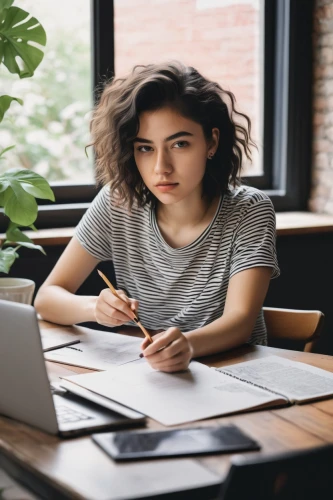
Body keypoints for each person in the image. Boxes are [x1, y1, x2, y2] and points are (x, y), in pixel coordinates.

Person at [35, 61, 279, 373]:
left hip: (234, 376)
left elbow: (240, 321)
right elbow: (47, 297)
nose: (161, 167)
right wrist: (94, 308)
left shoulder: (249, 210)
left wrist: (188, 346)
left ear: (212, 142)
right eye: (145, 148)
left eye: (179, 144)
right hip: (149, 376)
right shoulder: (118, 202)